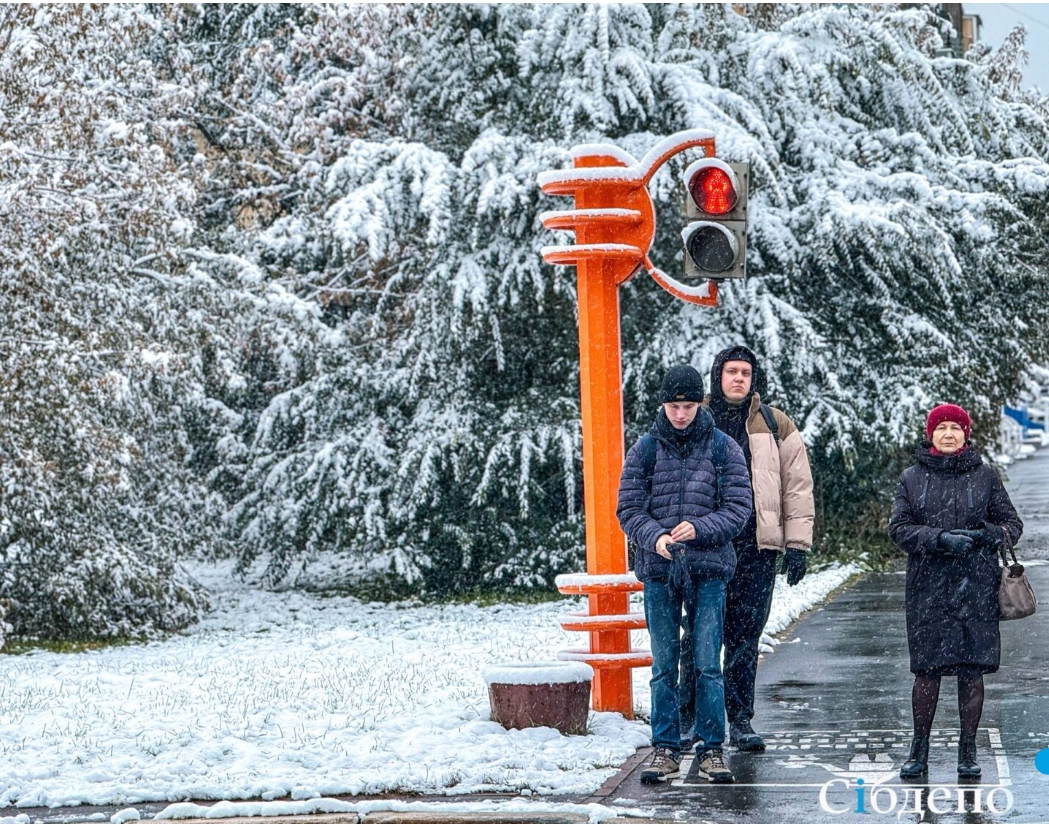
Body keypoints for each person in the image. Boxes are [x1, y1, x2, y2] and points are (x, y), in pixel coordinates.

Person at [617, 364, 752, 785]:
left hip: (709, 570)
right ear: (663, 404)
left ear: (699, 404)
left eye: (688, 405)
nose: (680, 414)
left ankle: (713, 748)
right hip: (660, 571)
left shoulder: (722, 448)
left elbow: (738, 509)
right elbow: (628, 508)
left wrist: (700, 529)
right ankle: (665, 747)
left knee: (708, 662)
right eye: (674, 406)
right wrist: (654, 536)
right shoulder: (644, 449)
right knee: (664, 663)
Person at [679, 345, 814, 753]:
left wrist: (797, 544)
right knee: (697, 638)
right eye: (732, 371)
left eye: (746, 372)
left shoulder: (775, 424)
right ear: (718, 375)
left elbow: (797, 485)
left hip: (757, 548)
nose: (739, 378)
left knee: (744, 638)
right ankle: (690, 720)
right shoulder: (693, 419)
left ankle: (740, 720)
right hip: (705, 546)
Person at [889, 403, 1023, 780]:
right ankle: (919, 748)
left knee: (971, 672)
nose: (948, 434)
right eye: (941, 427)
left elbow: (1012, 523)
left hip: (976, 587)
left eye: (955, 428)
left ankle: (968, 748)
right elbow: (899, 529)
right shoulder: (911, 478)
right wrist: (940, 539)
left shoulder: (986, 477)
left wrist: (987, 536)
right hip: (926, 589)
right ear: (930, 434)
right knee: (927, 673)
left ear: (967, 434)